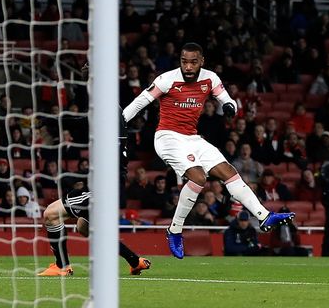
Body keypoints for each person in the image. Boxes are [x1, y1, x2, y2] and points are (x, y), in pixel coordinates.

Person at [122, 42, 294, 259]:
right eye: (184, 61)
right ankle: (174, 230)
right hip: (167, 137)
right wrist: (119, 123)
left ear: (201, 61)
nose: (188, 66)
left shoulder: (210, 78)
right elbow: (139, 102)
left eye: (193, 62)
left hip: (192, 138)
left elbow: (225, 98)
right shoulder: (166, 79)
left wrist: (231, 106)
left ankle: (264, 216)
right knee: (198, 177)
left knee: (228, 172)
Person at [37, 109, 150, 277]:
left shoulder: (109, 119)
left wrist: (50, 120)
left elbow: (79, 121)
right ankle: (135, 261)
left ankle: (62, 266)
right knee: (84, 227)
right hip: (111, 188)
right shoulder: (116, 124)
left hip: (103, 189)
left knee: (51, 214)